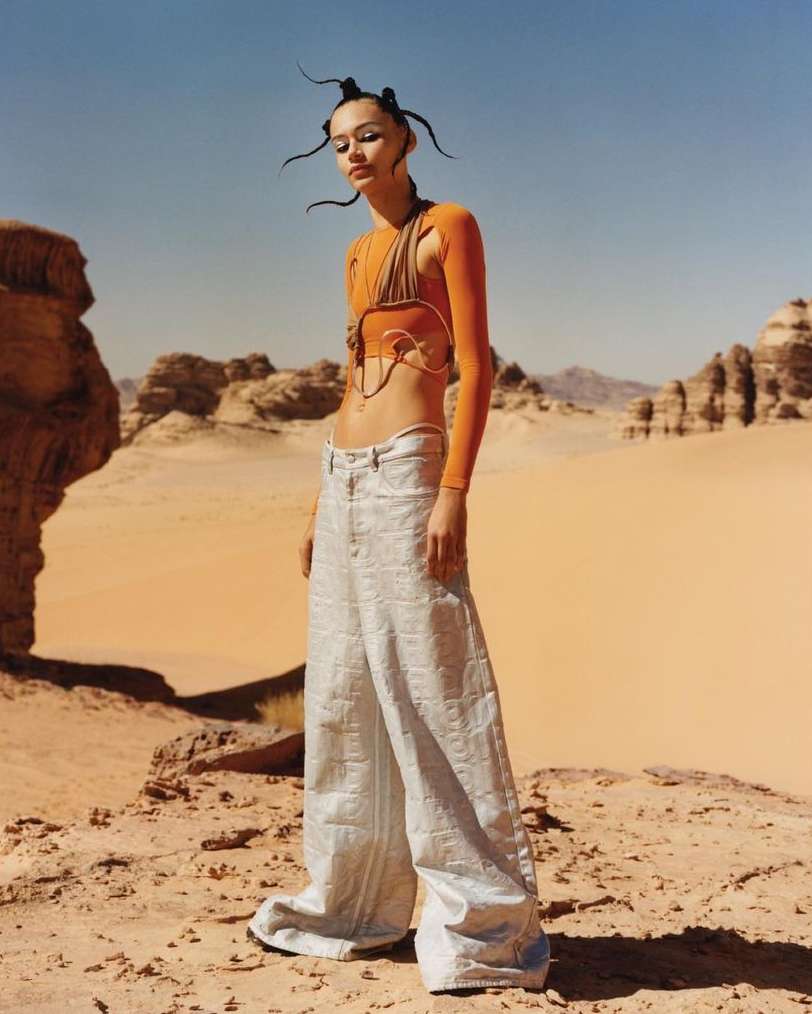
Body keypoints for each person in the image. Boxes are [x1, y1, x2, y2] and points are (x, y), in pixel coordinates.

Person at [247, 64, 551, 995]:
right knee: (343, 694)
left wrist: (453, 490)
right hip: (343, 476)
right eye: (339, 143)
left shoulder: (448, 225)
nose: (352, 153)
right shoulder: (354, 254)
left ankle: (484, 928)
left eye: (368, 135)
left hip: (411, 472)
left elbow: (476, 366)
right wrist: (318, 502)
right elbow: (351, 379)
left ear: (405, 140)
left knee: (432, 684)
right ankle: (353, 906)